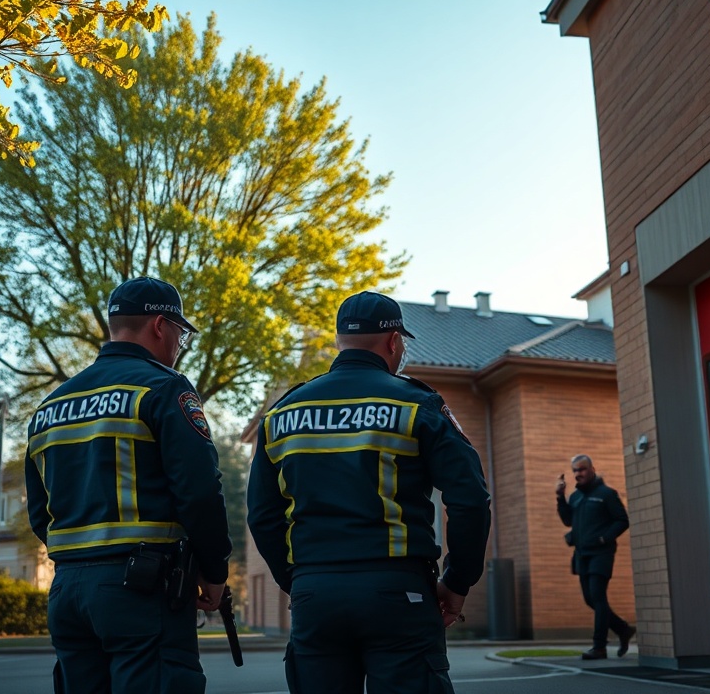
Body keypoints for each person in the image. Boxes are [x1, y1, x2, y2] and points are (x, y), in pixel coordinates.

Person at [247, 290, 491, 694]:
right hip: (398, 593)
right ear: (394, 341)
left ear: (340, 339)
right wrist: (458, 581)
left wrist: (298, 581)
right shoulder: (417, 403)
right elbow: (470, 499)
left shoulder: (282, 413)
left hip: (315, 593)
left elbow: (262, 513)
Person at [25, 277, 232, 693]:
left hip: (67, 590)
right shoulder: (164, 387)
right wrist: (214, 572)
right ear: (160, 326)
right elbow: (199, 492)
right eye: (180, 334)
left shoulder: (50, 406)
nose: (178, 346)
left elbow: (39, 512)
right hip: (139, 588)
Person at [556, 453, 635, 660]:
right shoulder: (575, 496)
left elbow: (622, 520)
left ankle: (599, 647)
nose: (577, 474)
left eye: (581, 469)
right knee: (590, 600)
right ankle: (623, 629)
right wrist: (560, 497)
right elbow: (567, 520)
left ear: (591, 470)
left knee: (598, 597)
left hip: (601, 553)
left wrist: (604, 538)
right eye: (574, 470)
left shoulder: (607, 494)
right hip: (582, 554)